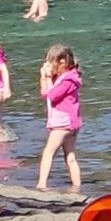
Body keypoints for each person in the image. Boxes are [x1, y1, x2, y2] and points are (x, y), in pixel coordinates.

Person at [37, 44, 82, 191]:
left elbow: (52, 95)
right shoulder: (61, 78)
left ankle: (42, 184)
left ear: (62, 62)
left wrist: (49, 78)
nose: (49, 66)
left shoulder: (69, 80)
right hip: (69, 123)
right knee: (70, 157)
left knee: (48, 152)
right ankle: (76, 186)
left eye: (51, 62)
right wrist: (44, 77)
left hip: (63, 123)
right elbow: (45, 93)